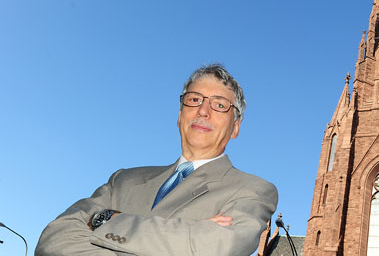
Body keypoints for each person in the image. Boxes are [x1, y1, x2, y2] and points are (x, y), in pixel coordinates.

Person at [36, 64, 278, 256]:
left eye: (219, 105)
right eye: (194, 99)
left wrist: (108, 219)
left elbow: (215, 247)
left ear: (236, 127)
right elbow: (53, 239)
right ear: (180, 114)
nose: (203, 111)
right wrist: (183, 237)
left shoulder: (252, 190)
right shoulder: (123, 180)